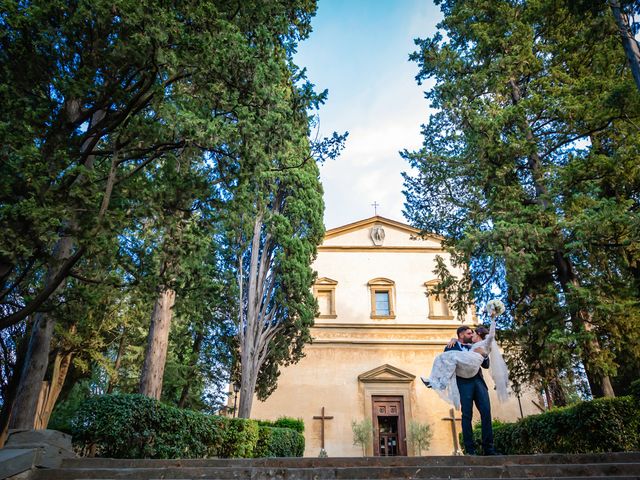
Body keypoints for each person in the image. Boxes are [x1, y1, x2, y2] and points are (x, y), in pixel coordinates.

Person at [421, 312, 509, 456]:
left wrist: (484, 354)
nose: (472, 334)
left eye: (472, 333)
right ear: (461, 335)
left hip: (478, 382)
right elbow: (447, 365)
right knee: (466, 415)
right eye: (469, 333)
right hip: (463, 383)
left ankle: (489, 449)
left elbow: (486, 365)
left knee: (486, 413)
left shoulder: (476, 345)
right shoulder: (451, 347)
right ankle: (470, 450)